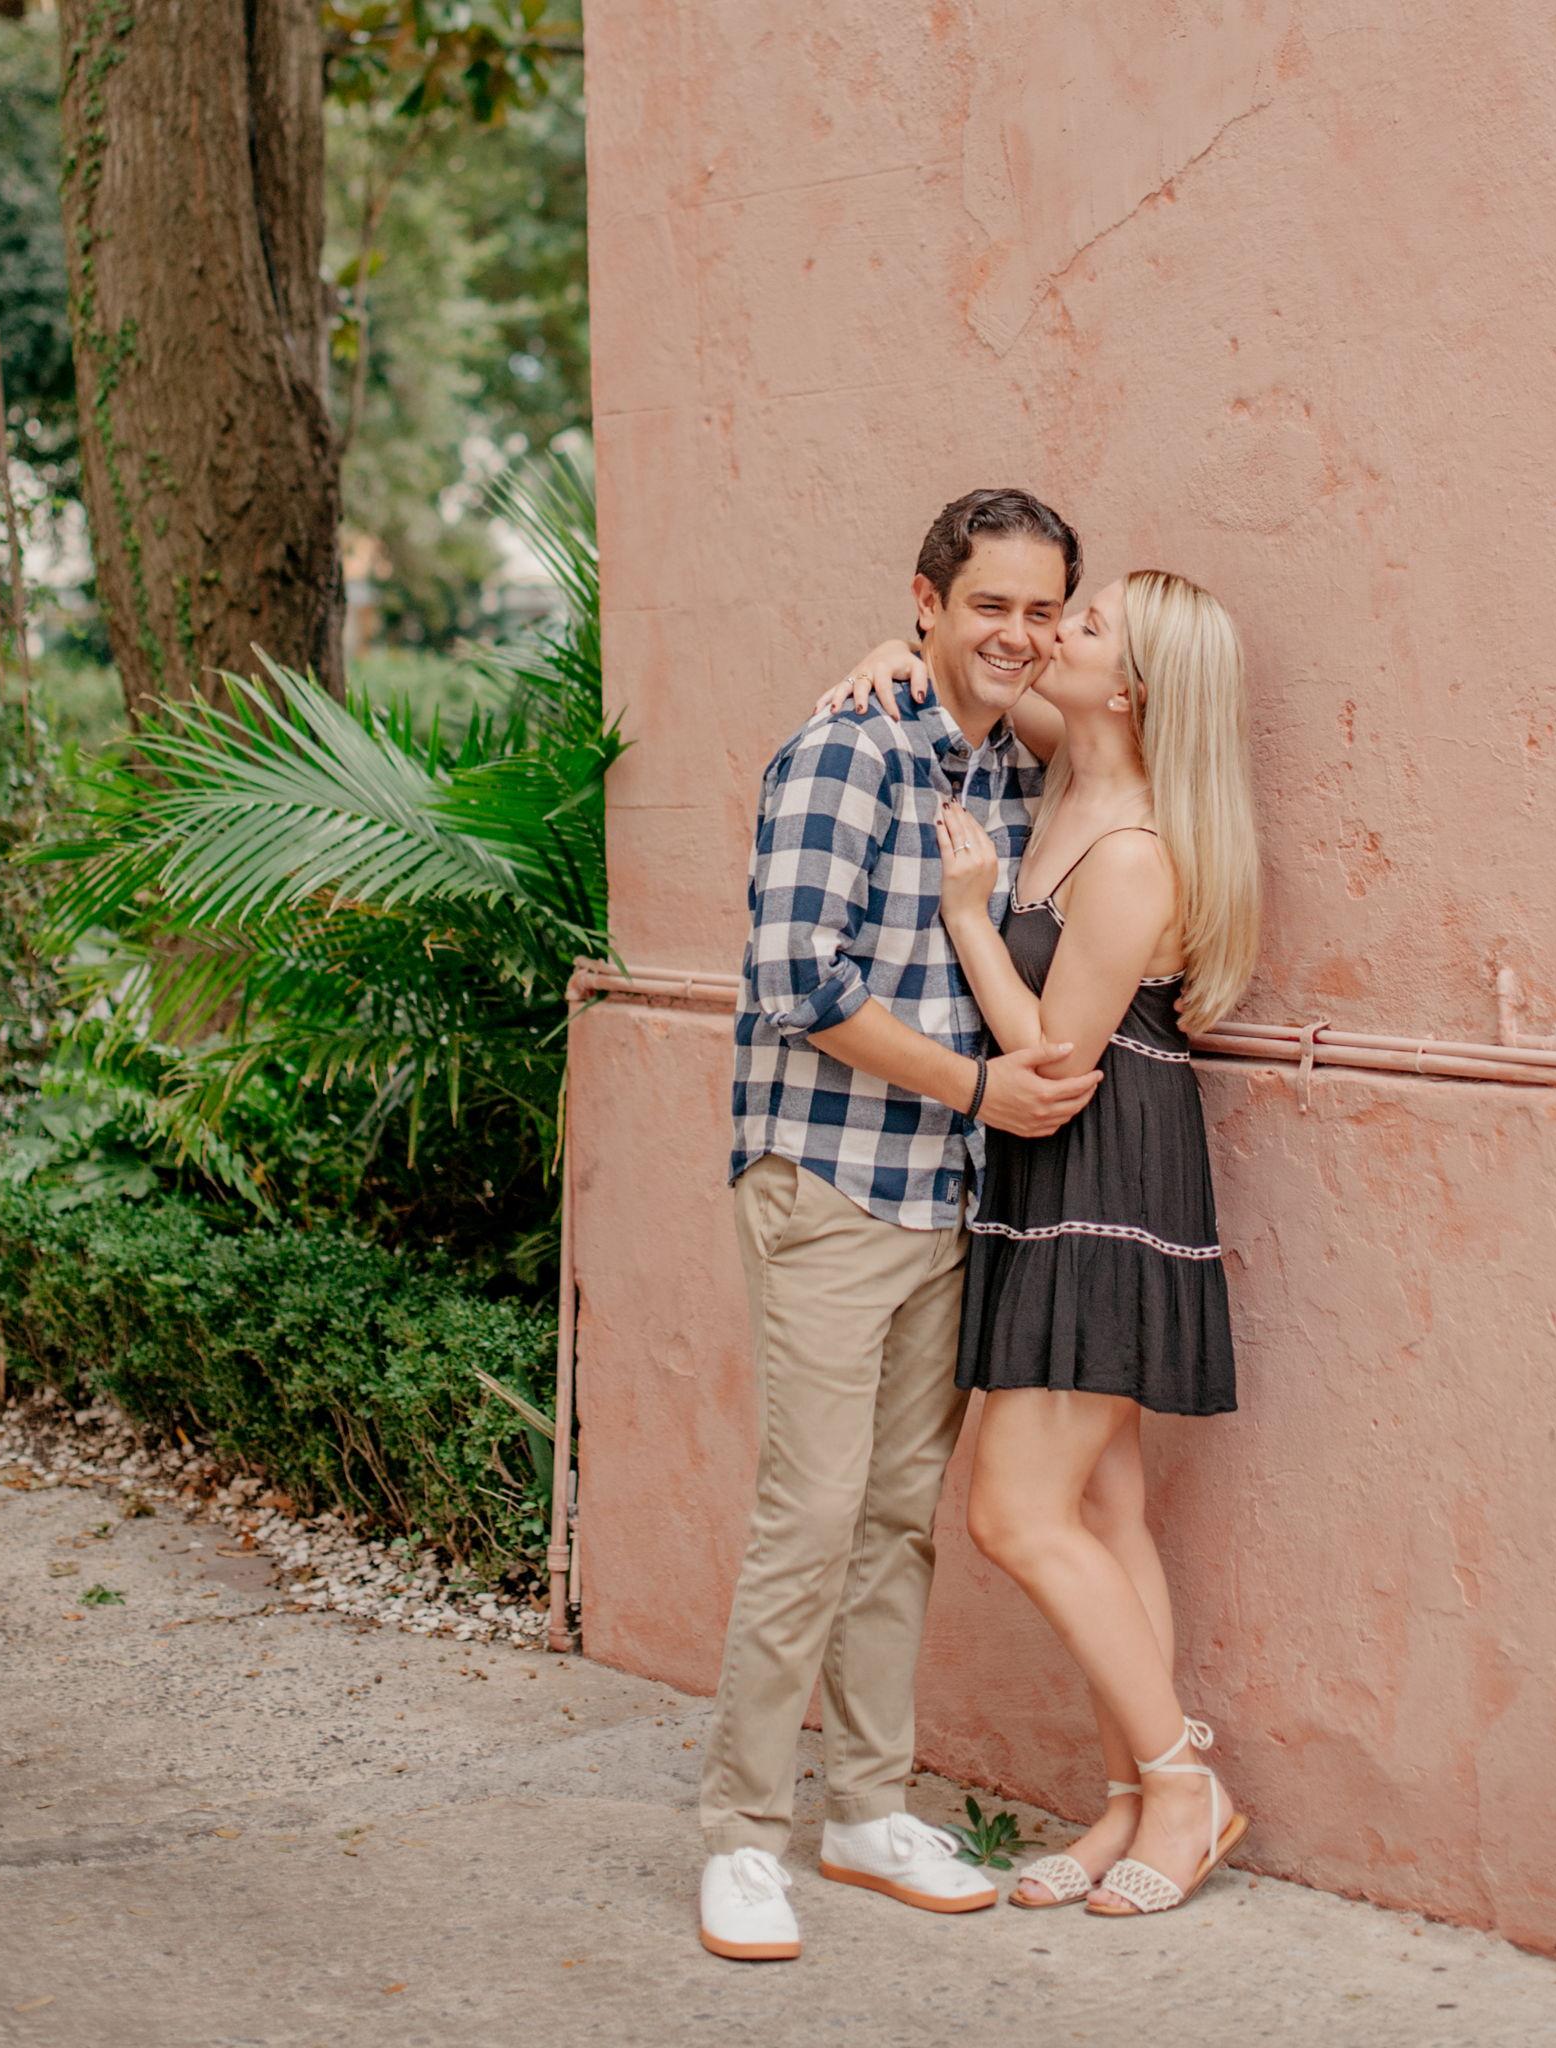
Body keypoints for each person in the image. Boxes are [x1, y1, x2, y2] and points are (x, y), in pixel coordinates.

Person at [698, 488, 1104, 1963]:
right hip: (830, 1178)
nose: (1017, 634)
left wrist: (973, 1122)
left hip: (945, 1194)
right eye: (987, 604)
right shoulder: (845, 751)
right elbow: (797, 982)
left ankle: (866, 1811)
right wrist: (978, 1089)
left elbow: (1096, 728)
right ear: (925, 601)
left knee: (893, 1520)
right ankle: (741, 1836)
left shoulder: (1007, 766)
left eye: (1041, 610)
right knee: (809, 1516)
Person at [824, 567, 1260, 1917]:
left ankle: (1182, 1788)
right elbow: (964, 674)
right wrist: (889, 653)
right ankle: (1127, 1802)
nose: (1051, 632)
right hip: (1046, 1179)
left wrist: (967, 914)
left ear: (1129, 688)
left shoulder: (1131, 853)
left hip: (1101, 1173)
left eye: (1083, 625)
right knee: (1106, 1509)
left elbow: (1052, 1060)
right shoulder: (1061, 759)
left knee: (1014, 1511)